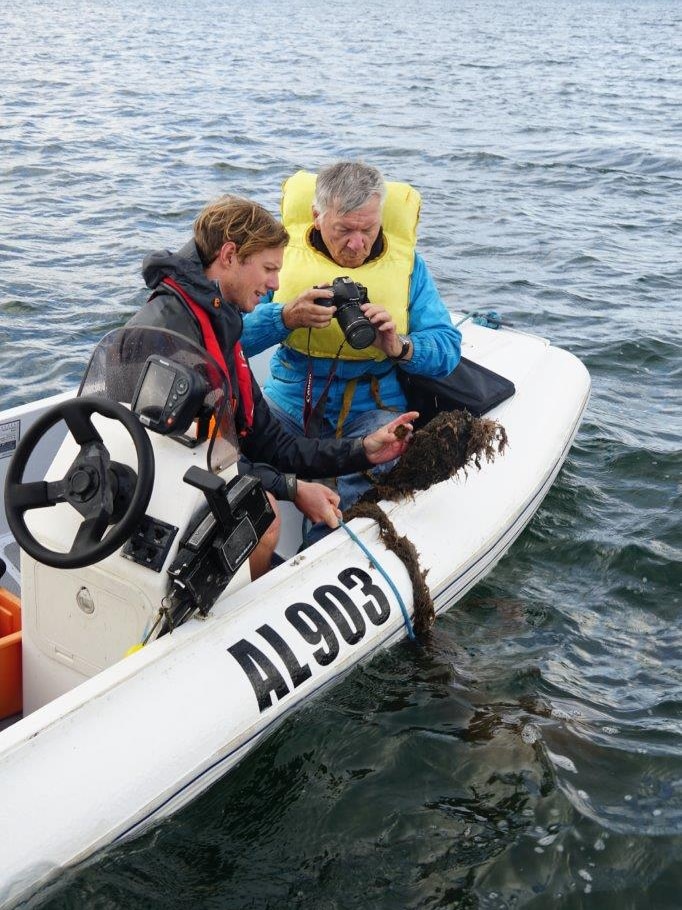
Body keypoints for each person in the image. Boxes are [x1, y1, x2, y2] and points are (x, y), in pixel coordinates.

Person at [125, 195, 417, 577]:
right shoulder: (173, 333)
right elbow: (193, 457)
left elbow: (273, 443)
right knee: (264, 516)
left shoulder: (218, 322)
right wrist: (293, 489)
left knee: (266, 501)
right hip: (151, 483)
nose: (276, 283)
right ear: (229, 255)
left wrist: (364, 450)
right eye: (267, 268)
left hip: (184, 468)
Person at [240, 161, 462, 513]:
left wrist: (398, 346)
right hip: (291, 398)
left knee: (382, 453)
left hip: (371, 405)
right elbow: (230, 338)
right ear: (316, 215)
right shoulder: (279, 258)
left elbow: (448, 350)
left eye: (368, 230)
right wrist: (283, 318)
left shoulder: (408, 268)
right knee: (232, 441)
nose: (357, 244)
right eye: (344, 229)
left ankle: (328, 542)